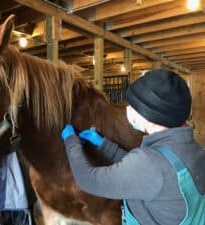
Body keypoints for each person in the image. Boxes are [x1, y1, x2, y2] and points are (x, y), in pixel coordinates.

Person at [61, 69, 205, 225]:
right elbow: (149, 173)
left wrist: (70, 141)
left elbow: (87, 179)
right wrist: (104, 145)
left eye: (133, 105)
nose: (128, 109)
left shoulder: (148, 163)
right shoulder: (194, 149)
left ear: (150, 114)